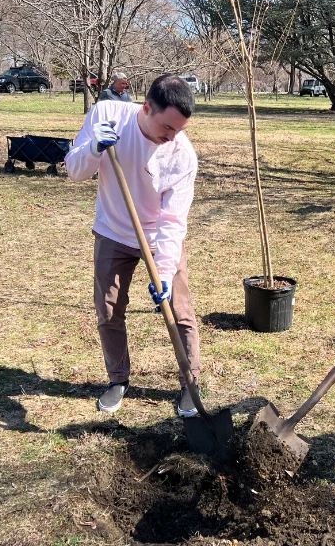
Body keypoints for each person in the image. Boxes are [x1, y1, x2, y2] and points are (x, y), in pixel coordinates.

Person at [63, 75, 203, 417]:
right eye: (167, 127)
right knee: (109, 310)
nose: (172, 137)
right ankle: (117, 380)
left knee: (179, 311)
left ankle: (191, 384)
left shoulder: (182, 155)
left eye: (180, 130)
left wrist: (166, 272)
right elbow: (74, 172)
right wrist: (93, 148)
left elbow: (173, 221)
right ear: (146, 108)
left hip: (158, 238)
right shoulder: (107, 115)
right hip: (113, 229)